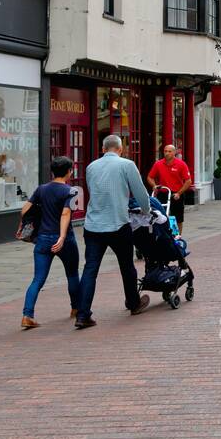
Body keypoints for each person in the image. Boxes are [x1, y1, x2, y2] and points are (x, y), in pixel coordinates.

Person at [75, 134, 152, 329]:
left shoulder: (91, 167)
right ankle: (133, 303)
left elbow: (94, 191)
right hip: (118, 223)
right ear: (120, 149)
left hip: (93, 225)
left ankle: (83, 314)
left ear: (103, 149)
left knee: (90, 269)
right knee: (127, 266)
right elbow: (140, 191)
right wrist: (146, 210)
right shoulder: (127, 165)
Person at [18, 156, 82, 330]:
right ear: (69, 172)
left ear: (53, 171)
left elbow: (25, 210)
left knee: (38, 279)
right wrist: (61, 237)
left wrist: (26, 225)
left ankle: (27, 315)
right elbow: (65, 214)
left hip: (43, 239)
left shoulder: (41, 189)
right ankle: (76, 308)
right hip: (64, 239)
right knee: (72, 274)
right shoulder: (70, 191)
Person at [147, 144, 192, 233]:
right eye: (165, 151)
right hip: (163, 193)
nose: (167, 153)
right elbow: (149, 177)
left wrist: (179, 193)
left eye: (169, 151)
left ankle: (178, 236)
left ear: (174, 152)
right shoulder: (158, 164)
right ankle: (162, 234)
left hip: (176, 193)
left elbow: (188, 181)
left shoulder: (181, 164)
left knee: (178, 218)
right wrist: (154, 186)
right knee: (160, 216)